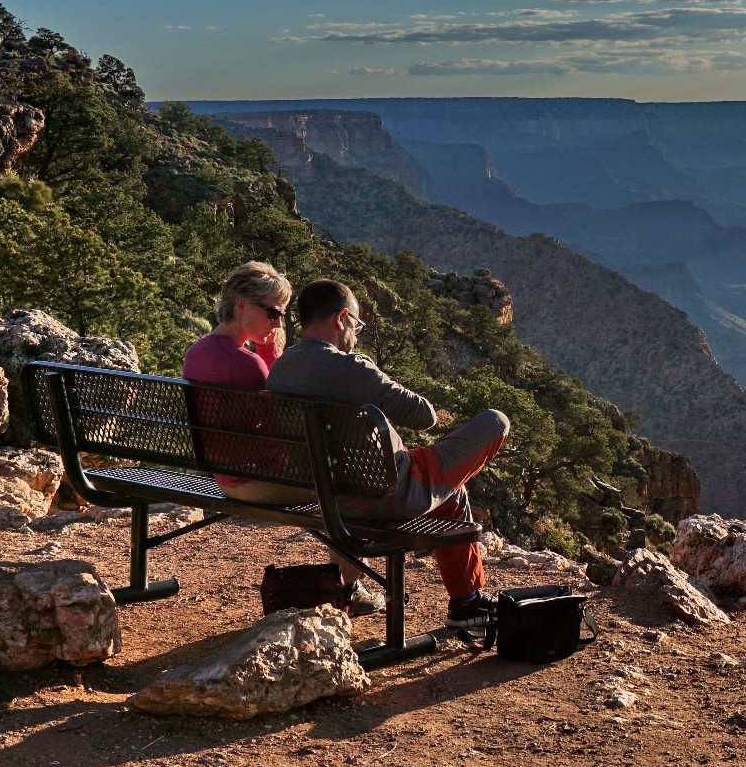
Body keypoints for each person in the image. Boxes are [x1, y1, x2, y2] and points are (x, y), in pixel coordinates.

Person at [268, 279, 509, 630]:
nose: (356, 334)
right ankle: (467, 604)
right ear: (341, 319)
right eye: (356, 325)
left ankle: (466, 600)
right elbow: (424, 416)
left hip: (328, 493)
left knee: (452, 495)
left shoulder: (281, 368)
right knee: (495, 421)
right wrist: (369, 369)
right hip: (391, 494)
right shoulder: (352, 368)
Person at [181, 261, 306, 504]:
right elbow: (282, 426)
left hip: (224, 477)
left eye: (281, 315)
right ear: (241, 305)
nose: (278, 324)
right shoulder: (247, 364)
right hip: (258, 481)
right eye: (273, 313)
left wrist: (267, 346)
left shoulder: (198, 351)